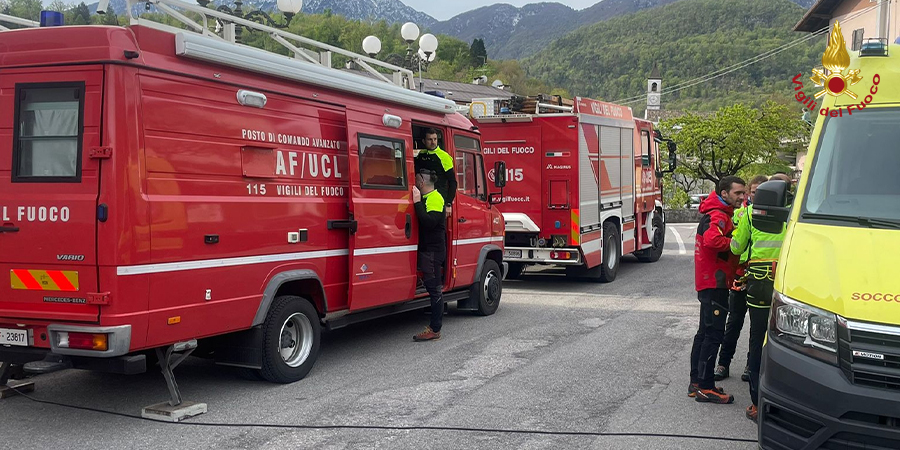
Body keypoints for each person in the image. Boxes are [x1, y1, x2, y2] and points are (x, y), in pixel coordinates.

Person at [730, 173, 791, 422]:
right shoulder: (793, 215)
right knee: (787, 341)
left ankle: (756, 403)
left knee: (757, 339)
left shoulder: (748, 214)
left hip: (758, 282)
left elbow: (735, 248)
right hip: (787, 282)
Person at [689, 175, 746, 404]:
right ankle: (705, 387)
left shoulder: (716, 212)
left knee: (704, 333)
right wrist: (735, 245)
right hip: (716, 282)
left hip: (711, 281)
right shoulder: (719, 215)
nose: (742, 197)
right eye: (738, 193)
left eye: (743, 193)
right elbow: (713, 241)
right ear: (724, 193)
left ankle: (697, 382)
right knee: (713, 334)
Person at [714, 175, 769, 382]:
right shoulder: (740, 214)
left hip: (759, 278)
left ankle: (750, 365)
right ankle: (723, 363)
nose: (756, 195)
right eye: (753, 192)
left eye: (760, 191)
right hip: (740, 276)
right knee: (734, 322)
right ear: (749, 194)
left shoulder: (774, 216)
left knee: (757, 328)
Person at [412, 169, 447, 342]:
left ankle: (435, 329)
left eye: (416, 179)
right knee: (432, 286)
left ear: (421, 183)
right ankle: (435, 327)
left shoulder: (435, 198)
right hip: (428, 250)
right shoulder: (429, 197)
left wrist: (417, 202)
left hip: (433, 251)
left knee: (435, 289)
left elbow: (430, 222)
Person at [414, 128, 457, 211]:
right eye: (430, 139)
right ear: (423, 141)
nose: (433, 142)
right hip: (422, 196)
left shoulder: (444, 157)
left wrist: (448, 203)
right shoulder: (421, 154)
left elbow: (452, 182)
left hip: (438, 199)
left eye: (435, 139)